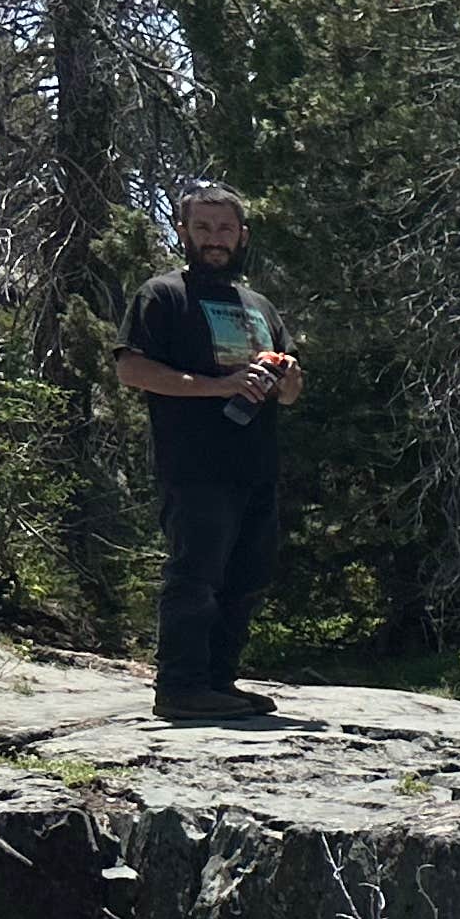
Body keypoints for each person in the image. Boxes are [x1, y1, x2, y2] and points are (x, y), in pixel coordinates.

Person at [111, 184, 302, 722]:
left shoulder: (258, 305)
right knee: (196, 575)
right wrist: (218, 385)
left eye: (224, 229)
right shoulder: (163, 295)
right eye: (203, 228)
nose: (214, 240)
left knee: (247, 577)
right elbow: (131, 369)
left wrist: (284, 379)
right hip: (194, 466)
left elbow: (291, 390)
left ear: (241, 235)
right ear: (184, 232)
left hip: (256, 464)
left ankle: (219, 682)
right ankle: (180, 686)